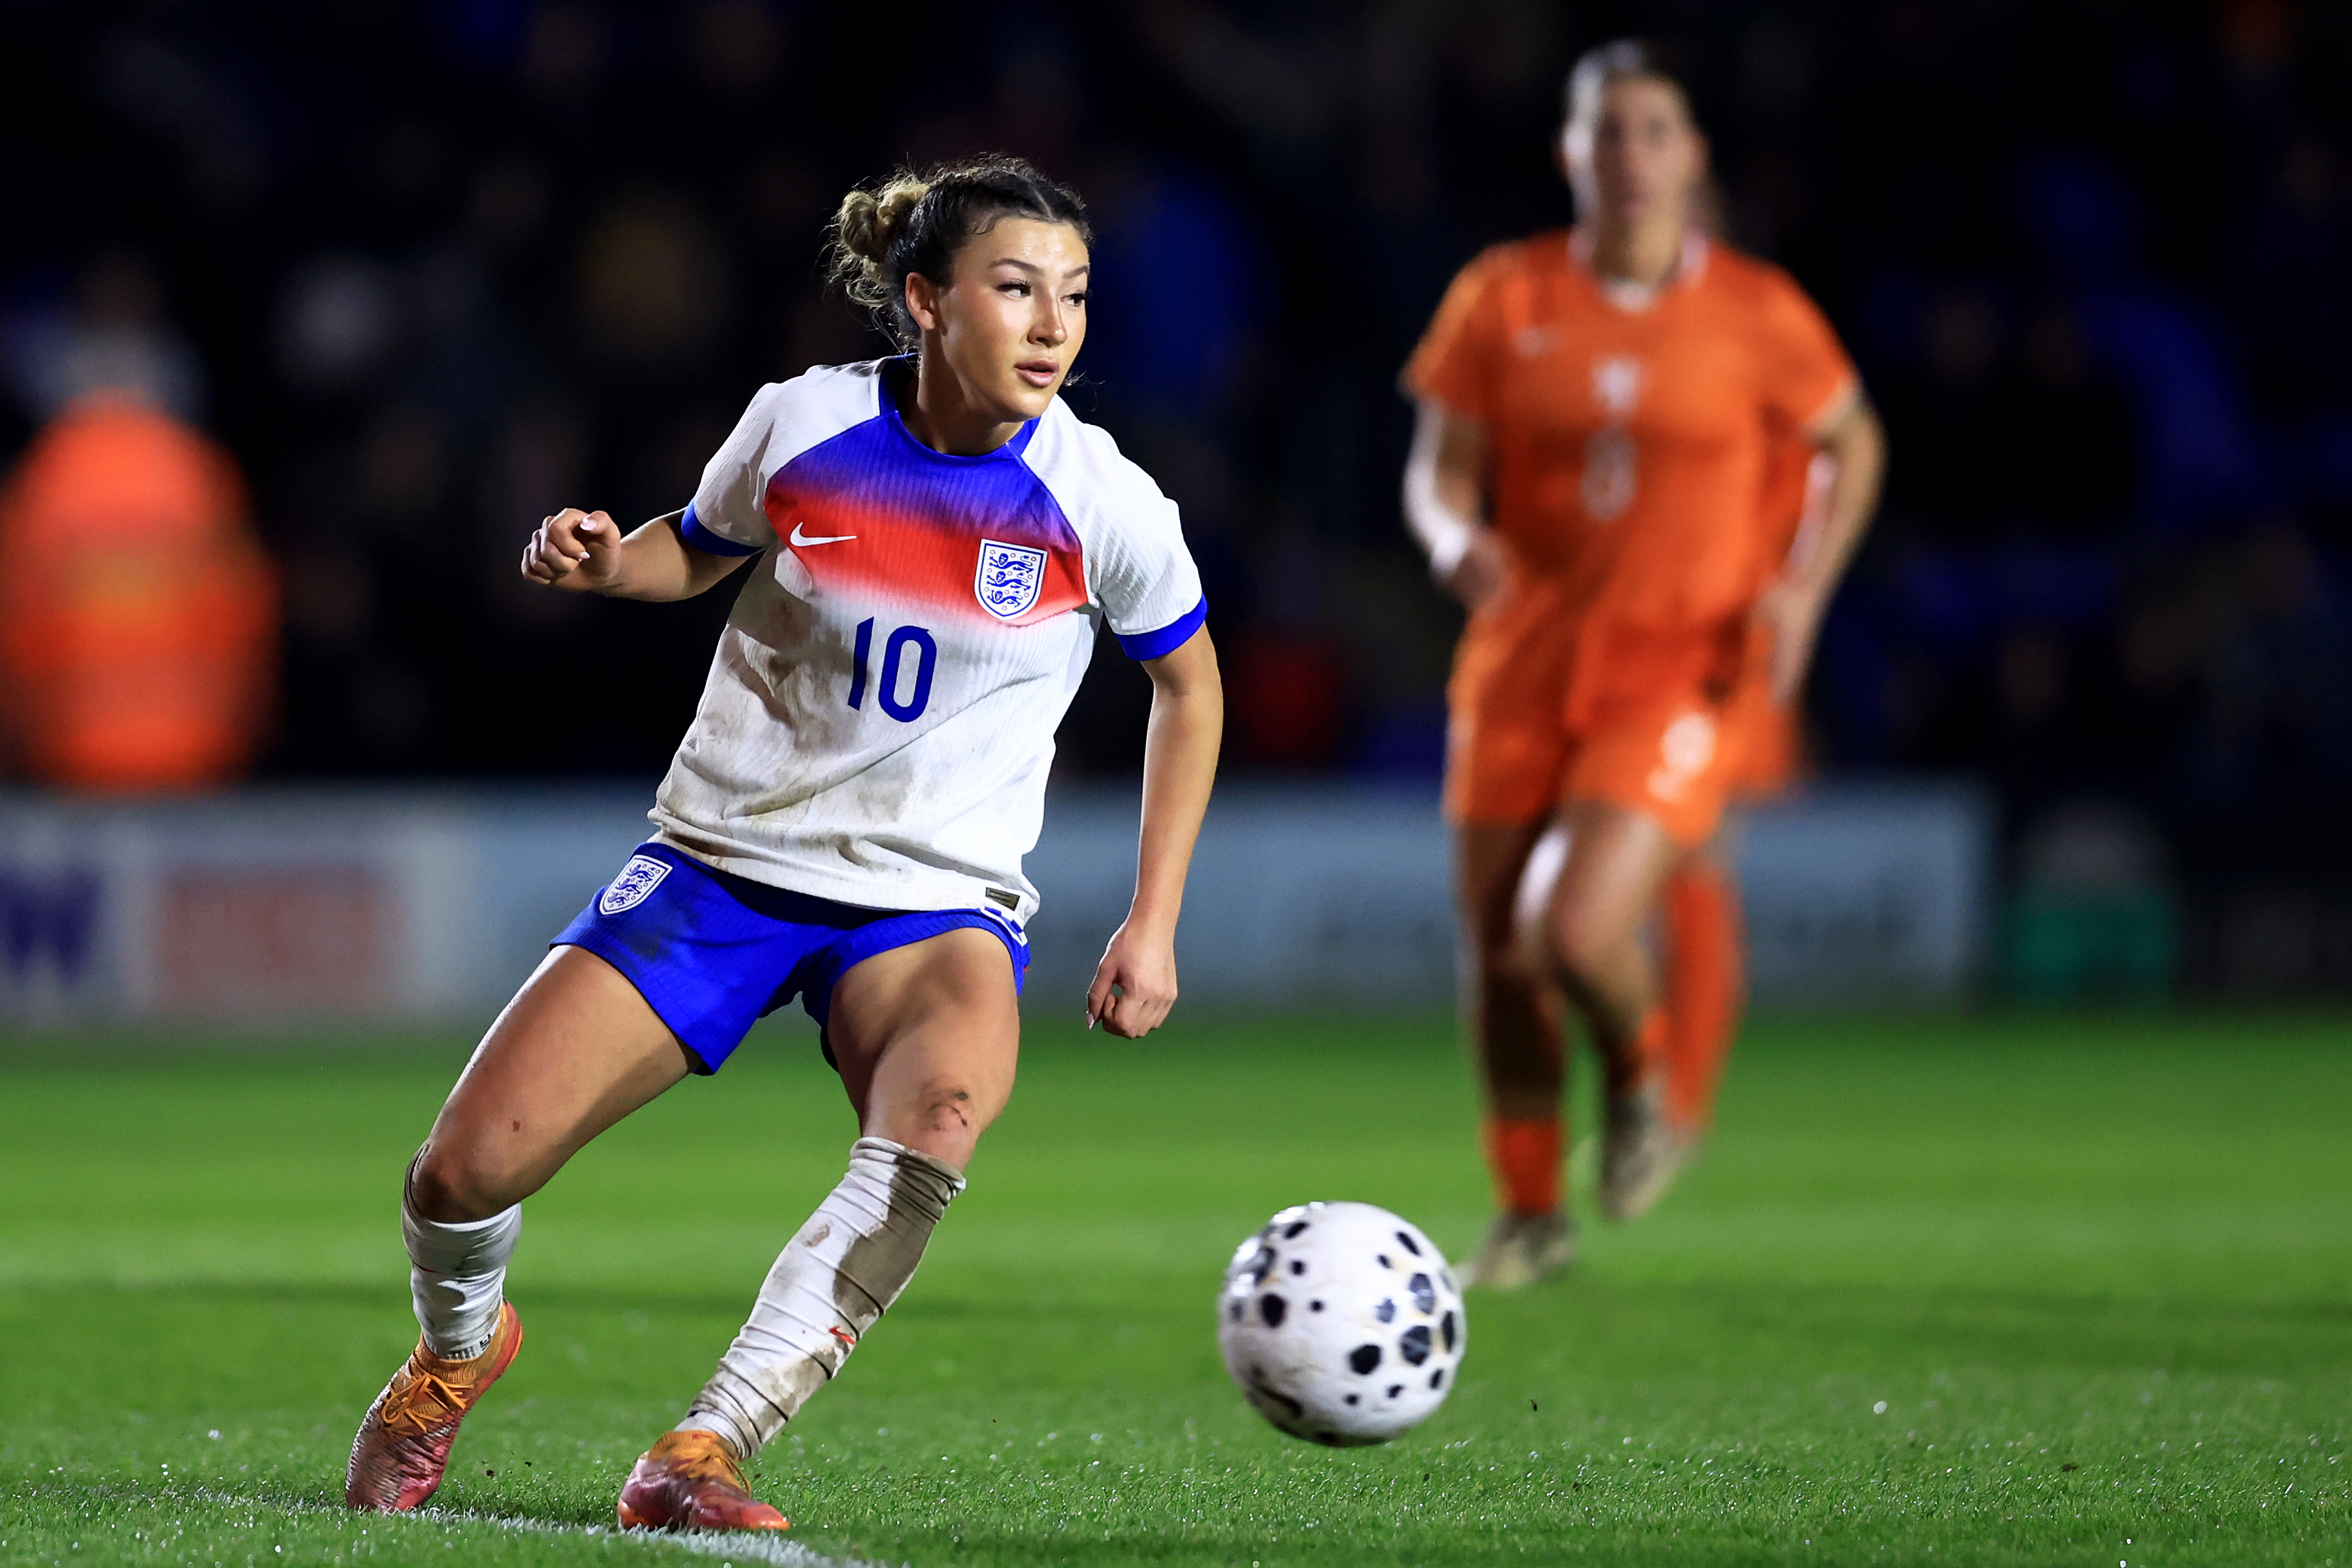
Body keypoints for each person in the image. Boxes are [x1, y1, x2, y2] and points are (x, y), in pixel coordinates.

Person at [342, 155, 1223, 1531]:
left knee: (934, 1125)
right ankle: (454, 1355)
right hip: (724, 864)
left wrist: (1151, 918)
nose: (1052, 325)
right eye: (1015, 289)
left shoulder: (1104, 499)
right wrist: (608, 561)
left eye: (1073, 295)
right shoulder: (803, 423)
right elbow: (698, 547)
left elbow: (1191, 685)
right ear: (926, 301)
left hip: (933, 901)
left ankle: (704, 1449)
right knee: (461, 1175)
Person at [1400, 41, 1884, 1290]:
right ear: (1568, 153)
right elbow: (1437, 469)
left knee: (1570, 926)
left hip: (1680, 666)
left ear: (1691, 156)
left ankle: (1643, 1080)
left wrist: (1802, 587)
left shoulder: (1754, 310)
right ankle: (1528, 1213)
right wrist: (1451, 539)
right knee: (1499, 954)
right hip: (1521, 661)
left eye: (1652, 131)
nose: (1628, 155)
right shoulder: (1502, 296)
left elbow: (1852, 442)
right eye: (1604, 131)